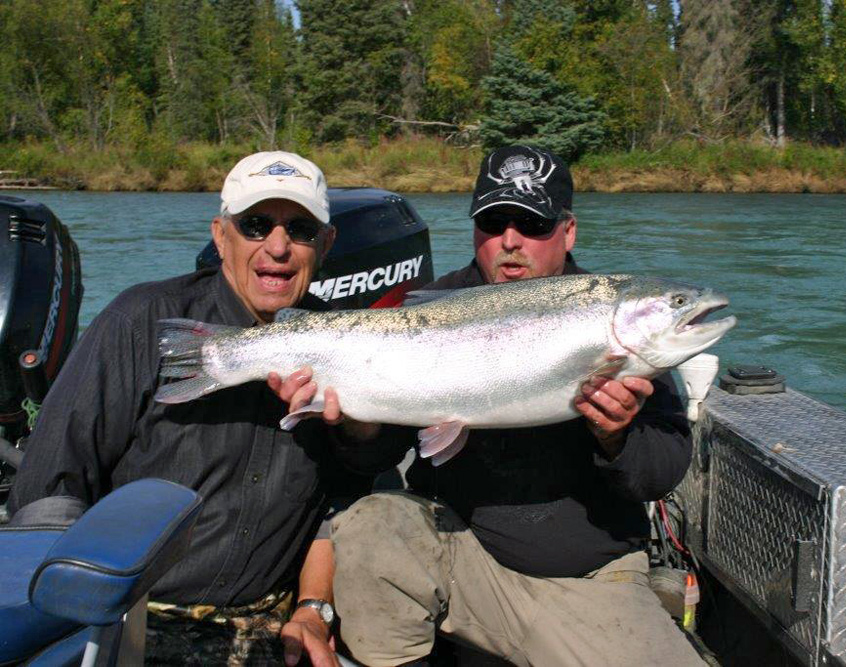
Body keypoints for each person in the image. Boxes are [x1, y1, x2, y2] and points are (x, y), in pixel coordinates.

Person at [281, 145, 706, 666]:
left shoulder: (605, 317)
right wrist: (358, 424)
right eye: (493, 221)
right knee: (372, 524)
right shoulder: (424, 308)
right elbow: (373, 458)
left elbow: (659, 475)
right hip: (458, 560)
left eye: (531, 223)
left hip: (589, 582)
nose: (510, 240)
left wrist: (616, 435)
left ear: (567, 231)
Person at [8, 151, 390, 667]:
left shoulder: (350, 342)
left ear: (325, 244)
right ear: (221, 235)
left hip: (270, 630)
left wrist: (312, 610)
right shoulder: (140, 321)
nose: (277, 247)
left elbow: (340, 503)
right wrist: (80, 622)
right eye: (256, 225)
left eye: (299, 229)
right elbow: (50, 486)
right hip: (131, 623)